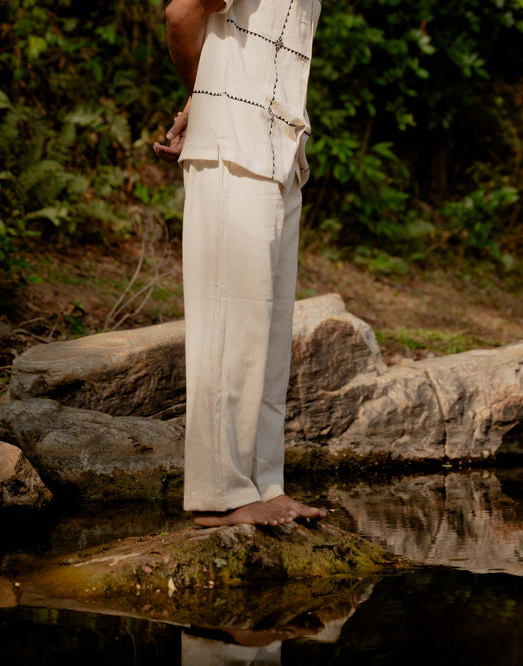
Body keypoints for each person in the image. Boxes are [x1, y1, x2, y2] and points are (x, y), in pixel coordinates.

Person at [154, 0, 325, 527]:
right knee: (229, 330)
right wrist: (202, 99)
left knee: (266, 336)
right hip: (233, 142)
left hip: (281, 149)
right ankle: (220, 494)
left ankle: (264, 484)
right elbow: (182, 14)